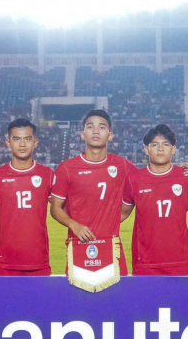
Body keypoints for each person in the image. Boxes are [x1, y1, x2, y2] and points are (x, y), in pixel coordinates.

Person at [50, 109, 136, 276]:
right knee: (78, 300)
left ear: (110, 135)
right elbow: (55, 209)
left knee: (117, 300)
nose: (96, 131)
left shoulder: (123, 166)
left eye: (102, 127)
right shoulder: (67, 168)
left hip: (111, 247)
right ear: (83, 134)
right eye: (90, 127)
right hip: (78, 245)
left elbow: (148, 179)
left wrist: (186, 166)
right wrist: (74, 225)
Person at [121, 124, 188, 275]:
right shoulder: (134, 179)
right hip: (145, 263)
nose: (160, 149)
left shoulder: (185, 177)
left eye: (166, 144)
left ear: (173, 149)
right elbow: (122, 214)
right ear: (146, 149)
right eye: (155, 145)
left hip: (179, 262)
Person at [0, 118, 54, 275]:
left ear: (35, 142)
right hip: (6, 263)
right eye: (17, 139)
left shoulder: (48, 175)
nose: (22, 144)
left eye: (27, 139)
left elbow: (63, 210)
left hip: (39, 261)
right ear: (8, 142)